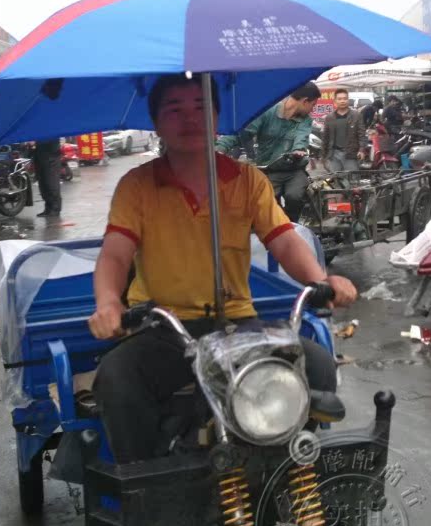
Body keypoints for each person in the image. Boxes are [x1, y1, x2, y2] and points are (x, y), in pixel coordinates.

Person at [89, 74, 357, 464]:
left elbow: (282, 239)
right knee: (116, 380)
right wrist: (108, 302)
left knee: (315, 365)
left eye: (200, 108)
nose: (190, 119)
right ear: (157, 122)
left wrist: (322, 281)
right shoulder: (137, 186)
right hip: (165, 330)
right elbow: (115, 253)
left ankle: (284, 466)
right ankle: (148, 489)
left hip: (236, 325)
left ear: (216, 116)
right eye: (175, 110)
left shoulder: (247, 181)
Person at [216, 82, 321, 222]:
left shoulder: (305, 121)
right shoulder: (267, 112)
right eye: (313, 105)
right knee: (268, 204)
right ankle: (279, 226)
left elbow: (301, 138)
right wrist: (221, 147)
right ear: (304, 101)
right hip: (268, 168)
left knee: (294, 196)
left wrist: (298, 150)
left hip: (294, 169)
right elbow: (242, 133)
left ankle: (293, 226)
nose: (312, 109)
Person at [321, 89, 366, 175]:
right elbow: (325, 138)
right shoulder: (329, 118)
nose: (342, 101)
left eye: (345, 98)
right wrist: (323, 156)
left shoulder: (356, 115)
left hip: (351, 154)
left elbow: (361, 134)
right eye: (340, 99)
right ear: (335, 101)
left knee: (352, 180)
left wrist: (362, 149)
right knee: (336, 180)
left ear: (348, 100)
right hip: (334, 154)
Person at [33, 139, 62, 217]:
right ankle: (48, 208)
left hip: (51, 156)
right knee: (43, 184)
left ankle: (55, 209)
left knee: (51, 183)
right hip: (40, 154)